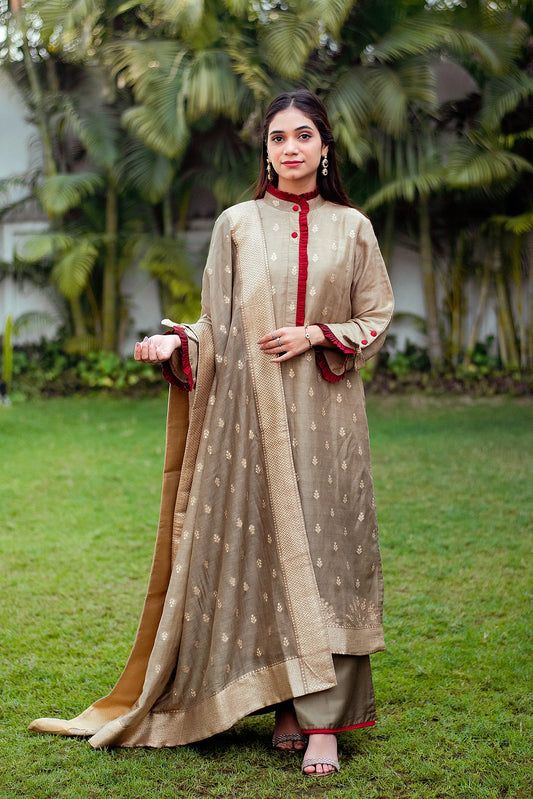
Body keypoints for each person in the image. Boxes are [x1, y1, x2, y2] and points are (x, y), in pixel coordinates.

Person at [29, 89, 394, 778]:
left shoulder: (353, 227)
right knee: (268, 553)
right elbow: (218, 325)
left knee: (327, 555)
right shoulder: (236, 224)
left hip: (327, 421)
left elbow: (374, 313)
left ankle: (323, 725)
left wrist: (318, 332)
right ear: (266, 150)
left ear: (324, 147)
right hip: (251, 422)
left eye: (303, 135)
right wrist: (178, 348)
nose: (290, 147)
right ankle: (285, 703)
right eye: (278, 137)